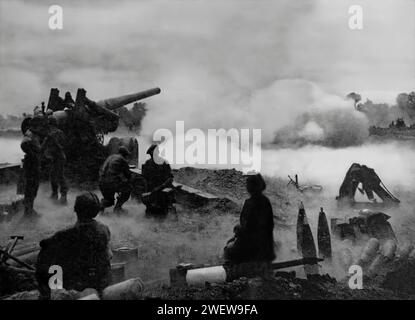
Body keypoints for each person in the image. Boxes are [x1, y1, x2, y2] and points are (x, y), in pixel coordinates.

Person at [35, 192, 111, 299]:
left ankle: (48, 294)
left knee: (48, 259)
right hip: (102, 280)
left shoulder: (67, 234)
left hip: (79, 283)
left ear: (76, 210)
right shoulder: (104, 229)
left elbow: (44, 245)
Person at [224, 173, 276, 264]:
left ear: (257, 185)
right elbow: (245, 223)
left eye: (250, 184)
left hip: (258, 244)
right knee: (228, 247)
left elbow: (263, 227)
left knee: (230, 251)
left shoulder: (263, 202)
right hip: (249, 239)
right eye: (248, 184)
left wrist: (242, 231)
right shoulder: (249, 202)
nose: (248, 187)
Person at [20, 117, 45, 216]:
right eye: (40, 126)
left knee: (34, 187)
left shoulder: (34, 134)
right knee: (31, 187)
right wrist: (32, 155)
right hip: (31, 163)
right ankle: (28, 210)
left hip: (34, 163)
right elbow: (24, 144)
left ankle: (30, 209)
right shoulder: (30, 133)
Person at [141, 144, 174, 216]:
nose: (152, 156)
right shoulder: (148, 163)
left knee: (162, 198)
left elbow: (170, 177)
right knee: (147, 197)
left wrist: (162, 186)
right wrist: (146, 188)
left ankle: (161, 212)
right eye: (151, 154)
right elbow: (144, 177)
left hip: (162, 187)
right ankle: (151, 210)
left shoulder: (164, 162)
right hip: (151, 187)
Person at [42, 116, 68, 204]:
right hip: (58, 157)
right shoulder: (59, 133)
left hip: (58, 157)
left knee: (58, 176)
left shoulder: (52, 134)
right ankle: (57, 194)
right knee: (55, 176)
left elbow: (44, 146)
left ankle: (61, 195)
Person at [99, 147, 132, 213]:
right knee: (128, 188)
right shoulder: (122, 160)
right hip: (112, 183)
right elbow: (128, 175)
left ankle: (99, 208)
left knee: (109, 201)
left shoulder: (110, 157)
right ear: (124, 154)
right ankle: (118, 208)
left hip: (102, 182)